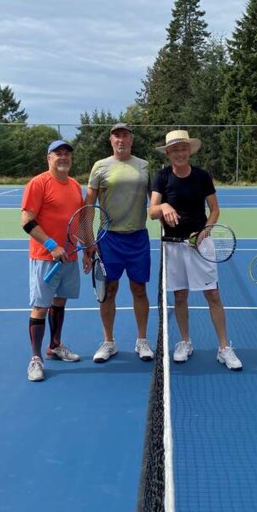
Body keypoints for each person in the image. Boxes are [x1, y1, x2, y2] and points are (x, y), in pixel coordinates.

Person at [149, 130, 242, 370]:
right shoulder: (161, 177)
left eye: (184, 149)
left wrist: (206, 231)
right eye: (175, 149)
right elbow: (152, 211)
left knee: (213, 295)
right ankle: (185, 341)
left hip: (200, 245)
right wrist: (165, 205)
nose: (180, 153)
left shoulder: (202, 176)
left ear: (189, 151)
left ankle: (224, 347)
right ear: (168, 153)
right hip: (172, 246)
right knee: (180, 296)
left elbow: (214, 210)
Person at [19, 140, 92, 382]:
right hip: (45, 257)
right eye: (58, 153)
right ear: (48, 158)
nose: (63, 157)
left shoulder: (73, 185)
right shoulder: (38, 183)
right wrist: (52, 245)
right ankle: (36, 358)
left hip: (69, 256)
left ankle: (55, 346)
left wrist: (86, 251)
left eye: (67, 154)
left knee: (60, 301)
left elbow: (80, 222)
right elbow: (27, 221)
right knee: (41, 306)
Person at [86, 122, 153, 363]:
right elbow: (88, 207)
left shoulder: (144, 166)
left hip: (138, 238)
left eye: (125, 135)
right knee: (108, 291)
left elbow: (154, 202)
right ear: (111, 140)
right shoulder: (100, 167)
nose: (121, 140)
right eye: (117, 136)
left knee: (139, 289)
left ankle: (142, 340)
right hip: (109, 239)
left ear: (131, 139)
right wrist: (88, 241)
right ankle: (109, 342)